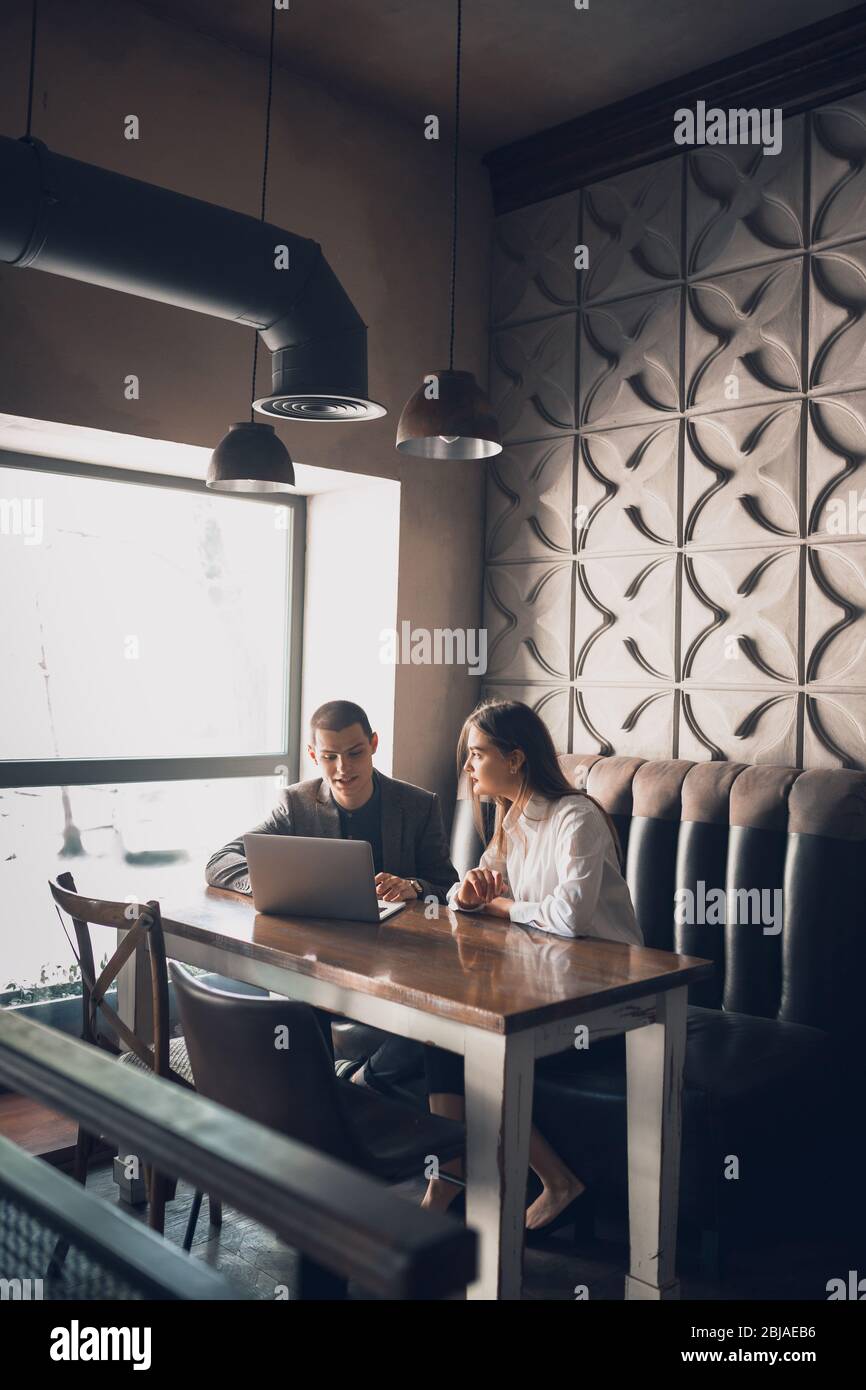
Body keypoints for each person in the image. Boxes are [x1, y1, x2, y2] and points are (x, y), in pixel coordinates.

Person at [421, 698, 643, 1242]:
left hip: (611, 1004)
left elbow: (569, 917)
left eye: (477, 754)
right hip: (544, 989)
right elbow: (468, 891)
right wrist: (469, 894)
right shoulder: (513, 817)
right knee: (441, 1038)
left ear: (515, 758)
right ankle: (455, 1183)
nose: (469, 767)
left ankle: (544, 1185)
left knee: (474, 1047)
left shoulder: (577, 817)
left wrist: (499, 907)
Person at [206, 698, 459, 1091]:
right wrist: (273, 881)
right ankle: (322, 1112)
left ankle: (360, 1082)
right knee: (301, 1007)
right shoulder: (296, 804)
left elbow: (447, 885)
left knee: (442, 1026)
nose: (344, 769)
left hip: (402, 963)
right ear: (313, 756)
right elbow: (219, 861)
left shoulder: (419, 806)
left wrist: (415, 888)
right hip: (321, 960)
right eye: (329, 757)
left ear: (374, 743)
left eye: (355, 753)